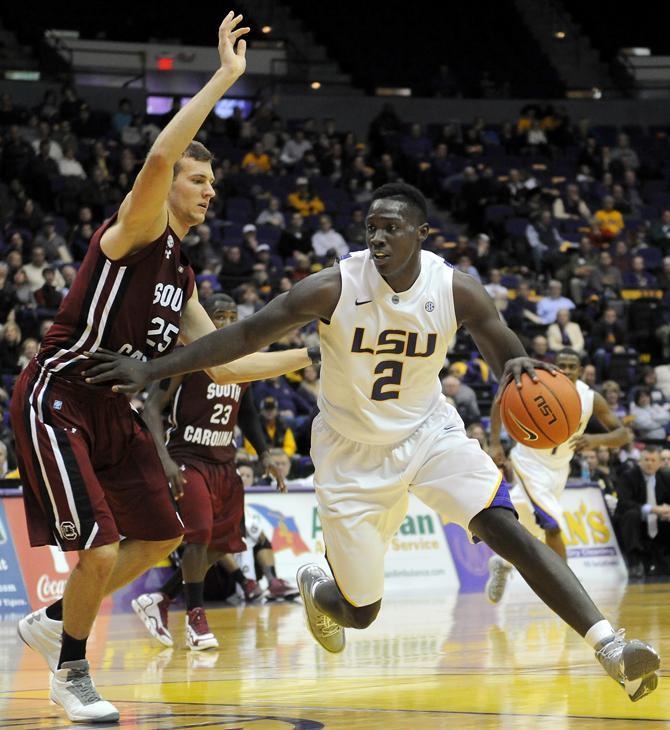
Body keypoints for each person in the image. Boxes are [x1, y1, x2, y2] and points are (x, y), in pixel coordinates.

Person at [83, 182, 660, 702]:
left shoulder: (455, 289)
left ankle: (609, 644)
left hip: (428, 432)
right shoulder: (333, 286)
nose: (379, 237)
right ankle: (322, 585)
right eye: (372, 228)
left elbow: (501, 341)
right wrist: (153, 370)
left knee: (505, 527)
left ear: (421, 233)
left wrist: (516, 365)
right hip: (350, 454)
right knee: (361, 612)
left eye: (392, 227)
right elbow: (243, 335)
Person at [10, 13, 250, 723]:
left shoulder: (185, 272)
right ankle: (71, 671)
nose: (209, 190)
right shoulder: (141, 227)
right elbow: (153, 160)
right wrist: (225, 78)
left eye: (212, 182)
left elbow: (229, 366)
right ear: (171, 184)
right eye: (198, 178)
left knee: (166, 534)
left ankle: (56, 621)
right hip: (60, 393)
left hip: (114, 411)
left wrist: (319, 342)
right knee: (99, 548)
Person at [132, 293, 310, 650]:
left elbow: (248, 413)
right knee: (198, 538)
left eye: (232, 316)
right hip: (188, 457)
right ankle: (196, 619)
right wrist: (164, 459)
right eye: (219, 316)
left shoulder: (242, 362)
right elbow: (151, 408)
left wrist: (264, 456)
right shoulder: (187, 356)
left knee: (223, 545)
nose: (226, 323)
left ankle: (162, 599)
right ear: (204, 319)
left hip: (224, 461)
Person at [487, 348, 632, 600]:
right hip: (528, 461)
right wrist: (496, 443)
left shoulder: (590, 398)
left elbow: (623, 435)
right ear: (554, 365)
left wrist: (597, 439)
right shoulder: (537, 383)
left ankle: (503, 562)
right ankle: (568, 592)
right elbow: (500, 401)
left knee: (533, 525)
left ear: (581, 369)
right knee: (552, 524)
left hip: (560, 468)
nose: (566, 369)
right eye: (561, 364)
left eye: (571, 365)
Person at [614, 447, 670, 578]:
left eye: (653, 460)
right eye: (646, 460)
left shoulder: (665, 477)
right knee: (632, 515)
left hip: (657, 524)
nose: (649, 463)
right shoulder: (628, 476)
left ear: (660, 463)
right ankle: (635, 563)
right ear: (640, 461)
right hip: (633, 522)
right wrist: (652, 509)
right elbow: (623, 503)